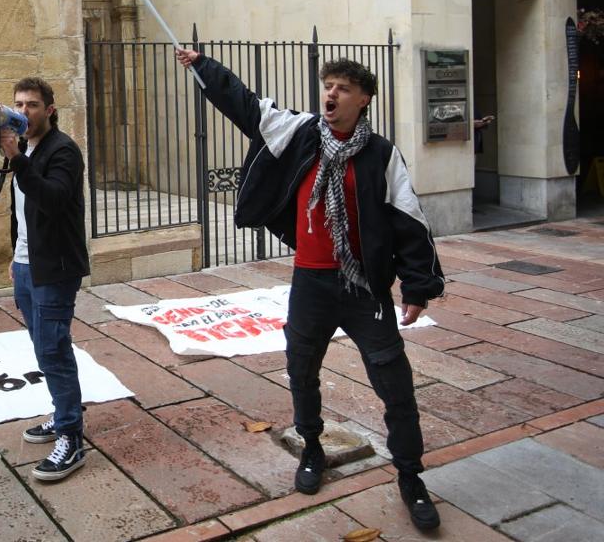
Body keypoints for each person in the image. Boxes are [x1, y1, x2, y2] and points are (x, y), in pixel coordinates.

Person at [175, 49, 445, 531]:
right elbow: (244, 103)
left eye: (343, 88)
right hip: (311, 281)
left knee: (395, 385)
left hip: (365, 288)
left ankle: (410, 476)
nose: (331, 94)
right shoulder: (299, 133)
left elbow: (408, 219)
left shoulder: (382, 154)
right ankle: (313, 450)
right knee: (301, 371)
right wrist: (202, 66)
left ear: (363, 100)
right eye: (328, 86)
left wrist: (418, 286)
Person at [0, 77, 91, 483]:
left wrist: (16, 159)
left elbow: (51, 200)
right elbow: (20, 210)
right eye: (18, 104)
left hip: (55, 267)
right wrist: (14, 256)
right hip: (27, 265)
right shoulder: (27, 150)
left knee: (54, 349)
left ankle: (71, 438)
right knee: (42, 347)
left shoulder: (63, 151)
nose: (24, 111)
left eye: (33, 105)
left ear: (49, 110)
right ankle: (63, 413)